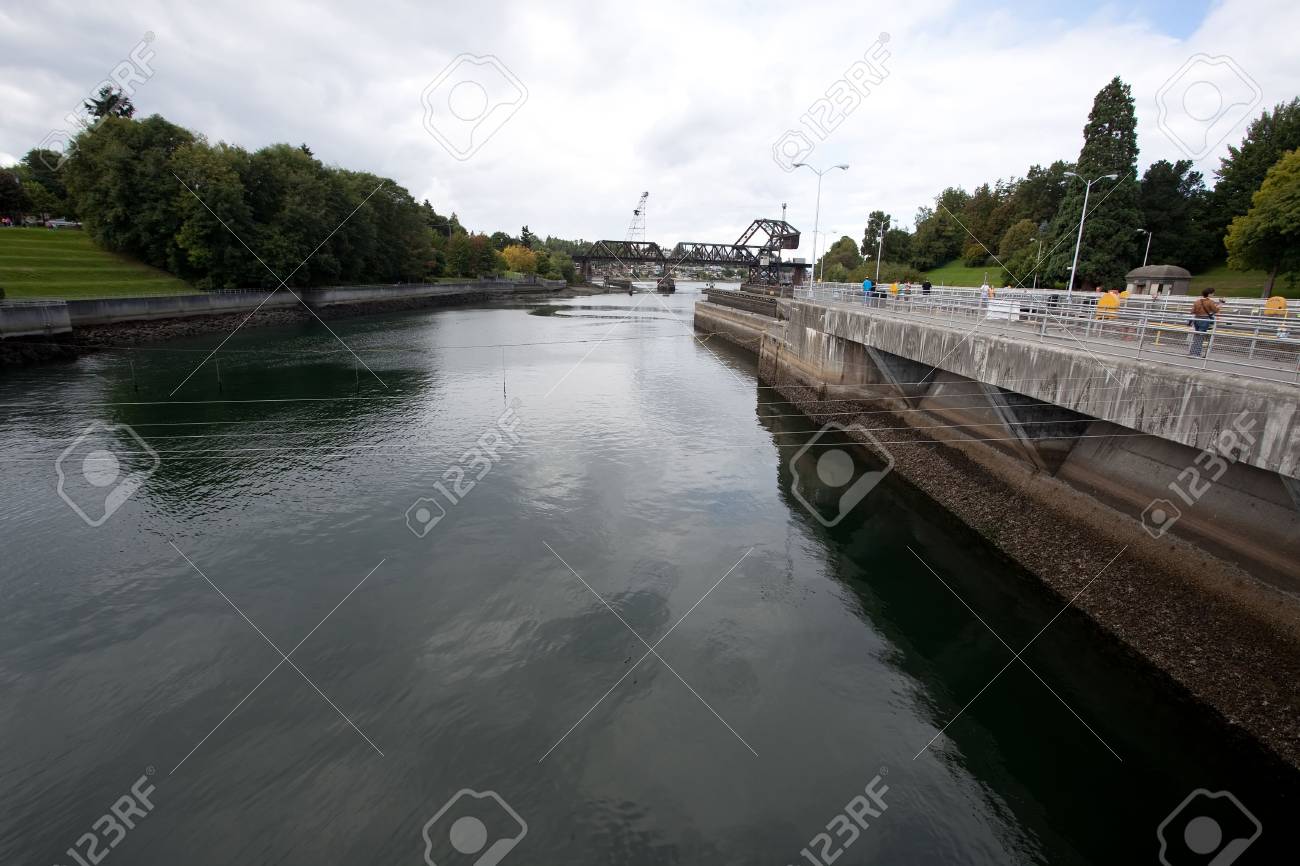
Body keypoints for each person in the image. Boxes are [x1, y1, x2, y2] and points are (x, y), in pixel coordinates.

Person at [1189, 287, 1224, 357]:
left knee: (1197, 335)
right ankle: (1196, 353)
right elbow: (1216, 310)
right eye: (1213, 293)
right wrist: (1221, 303)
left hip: (1196, 319)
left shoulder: (1197, 301)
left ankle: (1192, 352)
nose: (1213, 295)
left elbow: (1192, 311)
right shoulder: (1210, 302)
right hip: (1204, 320)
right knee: (1201, 337)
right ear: (1209, 294)